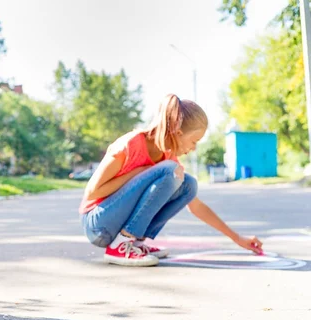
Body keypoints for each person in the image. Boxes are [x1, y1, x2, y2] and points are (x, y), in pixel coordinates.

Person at [80, 94, 263, 267]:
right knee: (170, 170)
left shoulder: (167, 157)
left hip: (114, 223)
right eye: (193, 141)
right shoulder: (130, 145)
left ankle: (133, 242)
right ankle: (121, 245)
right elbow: (92, 192)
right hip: (98, 224)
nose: (194, 148)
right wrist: (141, 171)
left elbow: (195, 205)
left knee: (189, 185)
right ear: (177, 132)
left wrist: (237, 238)